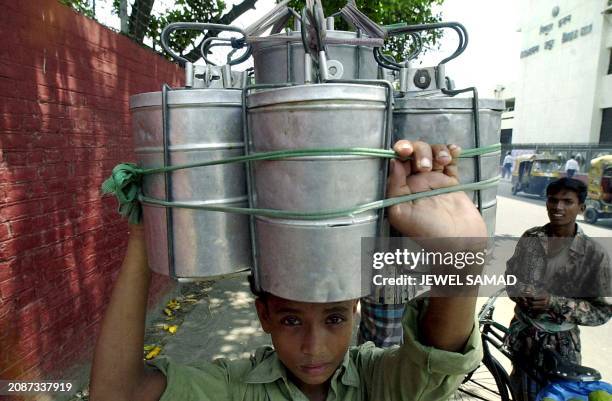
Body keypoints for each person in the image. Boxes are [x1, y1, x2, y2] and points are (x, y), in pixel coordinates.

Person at [90, 140, 488, 401]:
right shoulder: (238, 388)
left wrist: (463, 259)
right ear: (263, 315)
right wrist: (145, 233)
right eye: (292, 320)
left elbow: (440, 358)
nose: (314, 348)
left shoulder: (374, 381)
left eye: (334, 318)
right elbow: (117, 394)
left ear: (355, 310)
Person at [505, 178, 611, 401]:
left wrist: (553, 303)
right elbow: (511, 275)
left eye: (567, 202)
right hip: (524, 339)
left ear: (581, 208)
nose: (558, 207)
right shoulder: (531, 238)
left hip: (562, 350)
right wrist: (519, 293)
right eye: (553, 200)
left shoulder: (594, 254)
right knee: (521, 395)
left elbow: (602, 311)